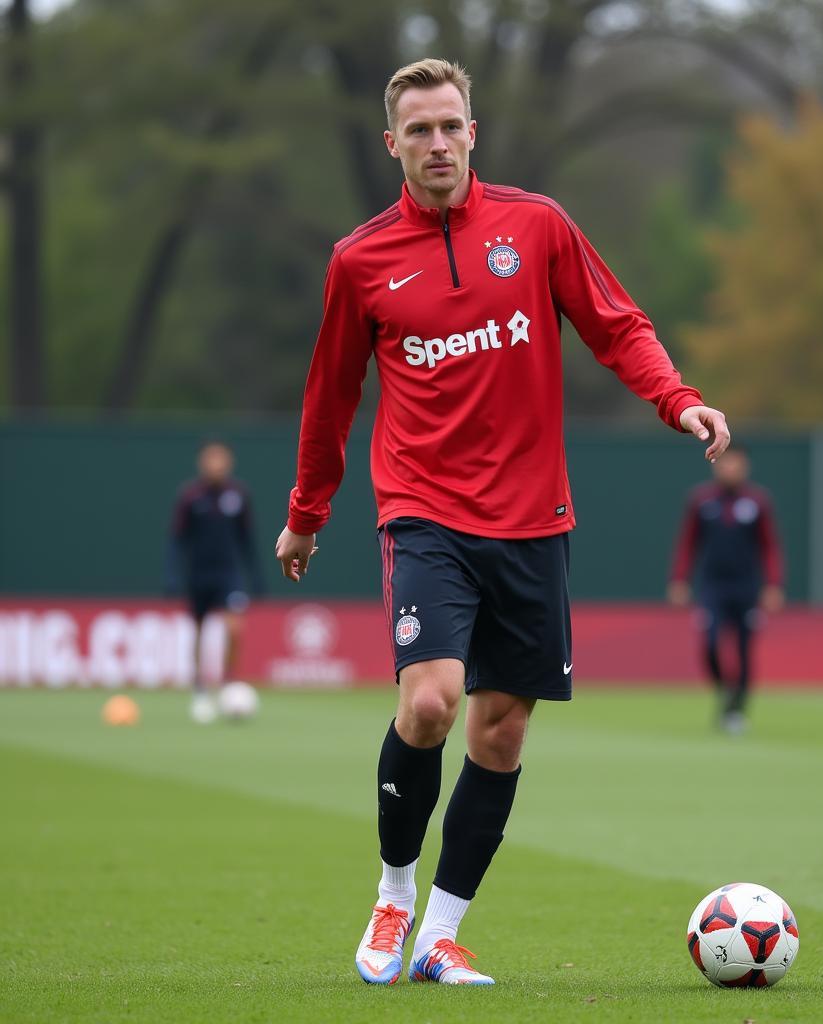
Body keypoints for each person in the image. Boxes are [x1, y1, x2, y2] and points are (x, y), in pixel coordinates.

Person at [274, 58, 731, 987]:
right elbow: (330, 399)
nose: (437, 144)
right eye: (419, 131)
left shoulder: (538, 226)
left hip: (532, 520)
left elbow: (617, 325)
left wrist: (676, 401)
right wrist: (306, 514)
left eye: (451, 126)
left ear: (472, 133)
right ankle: (395, 894)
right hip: (425, 513)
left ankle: (442, 935)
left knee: (501, 735)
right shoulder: (360, 260)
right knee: (431, 702)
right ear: (391, 142)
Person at [667, 444, 784, 734]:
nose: (729, 469)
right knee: (709, 644)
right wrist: (680, 579)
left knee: (744, 649)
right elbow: (687, 543)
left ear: (745, 467)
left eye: (735, 464)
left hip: (746, 587)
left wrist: (773, 584)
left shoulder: (758, 502)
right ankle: (725, 691)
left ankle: (736, 709)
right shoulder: (702, 501)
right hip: (712, 587)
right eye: (725, 463)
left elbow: (770, 546)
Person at [167, 440, 263, 723]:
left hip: (228, 574)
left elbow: (247, 540)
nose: (216, 465)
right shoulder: (190, 497)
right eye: (211, 459)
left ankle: (229, 683)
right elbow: (177, 540)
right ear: (202, 463)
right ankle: (199, 687)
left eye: (221, 459)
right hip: (198, 574)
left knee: (234, 628)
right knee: (198, 630)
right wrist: (172, 575)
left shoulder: (238, 496)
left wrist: (256, 576)